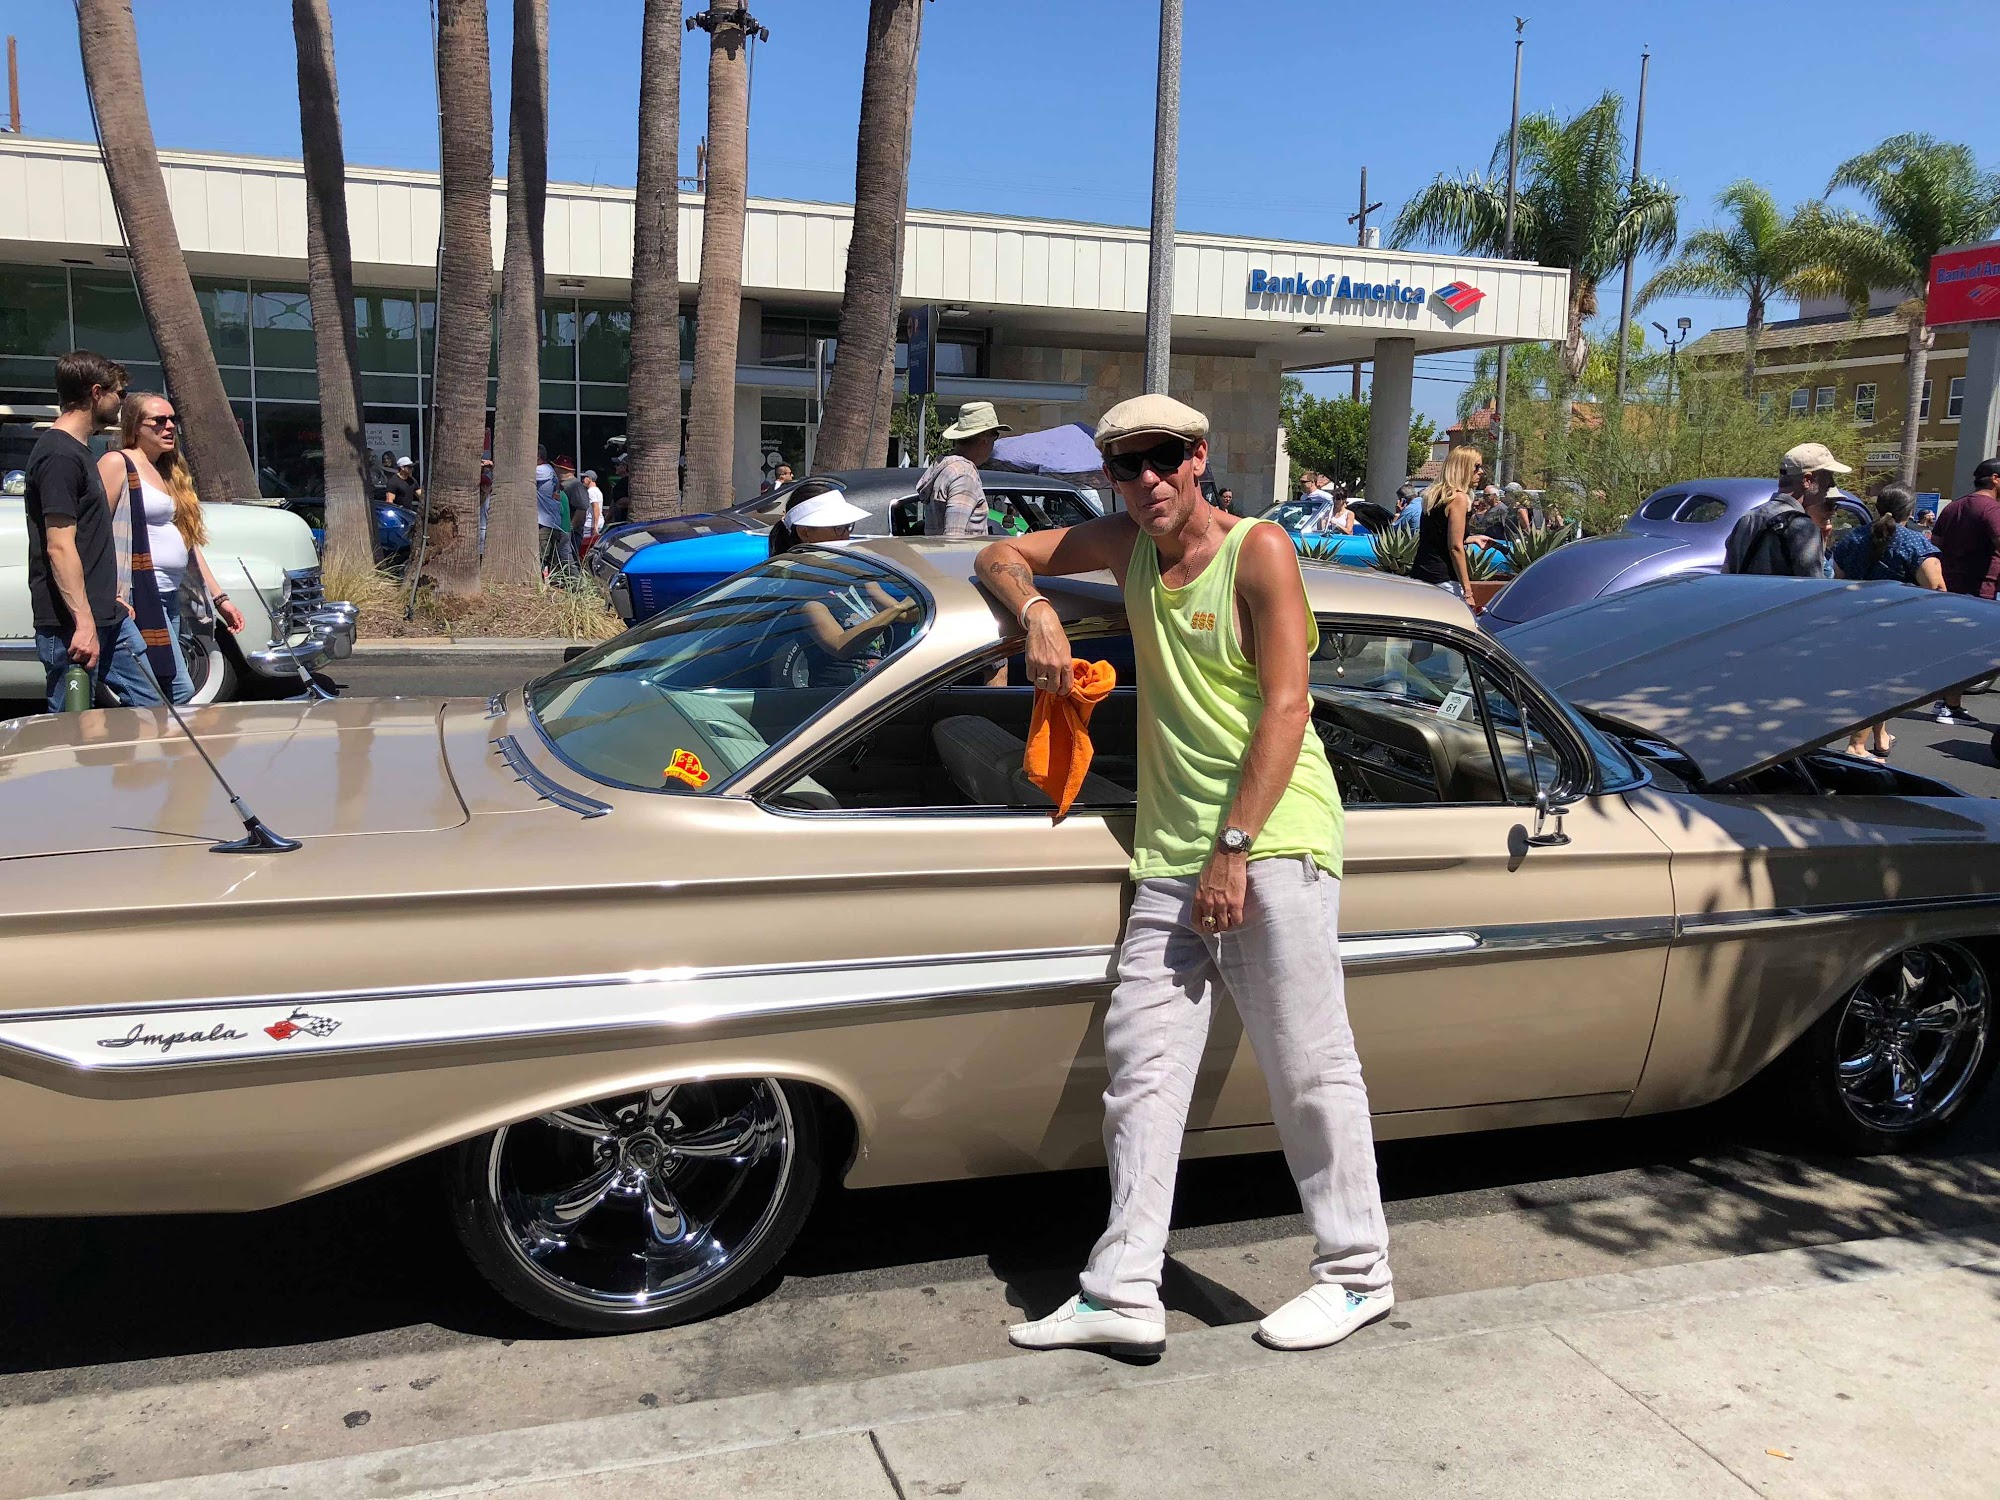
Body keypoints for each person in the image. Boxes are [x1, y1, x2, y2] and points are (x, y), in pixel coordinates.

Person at [979, 392, 1391, 1357]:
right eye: (1128, 465)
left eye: (1165, 457)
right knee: (1142, 1073)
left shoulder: (1259, 551)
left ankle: (1357, 1274)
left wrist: (1233, 848)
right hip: (1170, 850)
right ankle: (1124, 1289)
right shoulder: (1125, 544)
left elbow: (1288, 708)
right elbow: (996, 556)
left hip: (1270, 838)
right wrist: (1039, 615)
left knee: (1309, 1065)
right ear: (1110, 477)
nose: (1149, 479)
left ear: (1199, 457)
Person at [26, 352, 166, 711]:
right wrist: (84, 621)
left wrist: (109, 596)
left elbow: (90, 539)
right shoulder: (59, 456)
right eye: (119, 394)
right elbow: (59, 546)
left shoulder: (80, 451)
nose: (122, 403)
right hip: (71, 625)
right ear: (96, 393)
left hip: (107, 615)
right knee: (72, 729)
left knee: (154, 710)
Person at [95, 394, 249, 704]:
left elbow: (188, 543)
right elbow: (97, 533)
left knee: (164, 685)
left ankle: (150, 734)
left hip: (168, 596)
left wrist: (220, 598)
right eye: (159, 420)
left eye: (172, 420)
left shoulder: (168, 471)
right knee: (178, 689)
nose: (169, 427)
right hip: (138, 594)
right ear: (135, 426)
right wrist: (111, 593)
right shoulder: (118, 463)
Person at [1831, 484, 1944, 757]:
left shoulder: (1853, 538)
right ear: (1910, 511)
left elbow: (1837, 580)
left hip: (1853, 618)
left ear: (1877, 507)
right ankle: (1856, 745)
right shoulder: (1915, 543)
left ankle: (1881, 736)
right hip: (1896, 623)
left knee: (1871, 677)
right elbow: (1937, 588)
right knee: (1878, 683)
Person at [770, 488, 919, 686]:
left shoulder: (857, 579)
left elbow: (906, 615)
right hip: (840, 698)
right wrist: (897, 608)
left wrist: (924, 586)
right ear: (804, 532)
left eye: (848, 528)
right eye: (838, 529)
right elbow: (840, 646)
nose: (846, 536)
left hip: (874, 690)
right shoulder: (803, 592)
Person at [1928, 458, 2000, 725]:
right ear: (1995, 479)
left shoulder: (1953, 507)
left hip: (1951, 587)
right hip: (1979, 590)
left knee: (1954, 647)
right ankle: (1949, 706)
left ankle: (1946, 702)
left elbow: (1935, 544)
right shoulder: (1992, 509)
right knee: (1968, 651)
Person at [1722, 443, 1849, 577]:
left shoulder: (1747, 519)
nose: (1832, 485)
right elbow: (1812, 585)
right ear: (1807, 480)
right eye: (1828, 478)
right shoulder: (1804, 527)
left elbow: (1726, 575)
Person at [920, 401, 1012, 537]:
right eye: (995, 436)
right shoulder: (964, 475)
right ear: (985, 437)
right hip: (963, 551)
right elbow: (954, 537)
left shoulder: (945, 468)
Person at [1410, 446, 1482, 608]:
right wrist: (1468, 591)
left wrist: (1471, 538)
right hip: (1445, 580)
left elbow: (1437, 535)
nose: (1480, 472)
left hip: (1422, 573)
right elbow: (1455, 547)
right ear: (1463, 467)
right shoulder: (1458, 498)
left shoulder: (1434, 496)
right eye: (1476, 467)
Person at [535, 445, 566, 573]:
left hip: (545, 523)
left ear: (538, 456)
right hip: (553, 521)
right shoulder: (550, 470)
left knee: (541, 557)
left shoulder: (540, 470)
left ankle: (541, 580)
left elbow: (519, 474)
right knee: (552, 559)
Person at [579, 469, 606, 553]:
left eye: (584, 478)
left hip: (590, 524)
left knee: (585, 547)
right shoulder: (597, 490)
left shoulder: (591, 492)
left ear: (590, 479)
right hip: (595, 523)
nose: (583, 480)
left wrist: (595, 526)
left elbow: (596, 507)